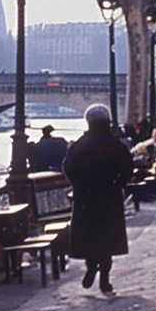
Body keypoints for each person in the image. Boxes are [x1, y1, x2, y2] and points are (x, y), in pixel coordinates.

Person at [62, 104, 133, 294]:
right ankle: (105, 279)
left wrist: (78, 184)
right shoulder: (116, 145)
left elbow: (68, 168)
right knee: (107, 239)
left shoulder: (79, 145)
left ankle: (91, 267)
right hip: (110, 197)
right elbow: (127, 169)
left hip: (86, 196)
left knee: (90, 236)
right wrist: (119, 183)